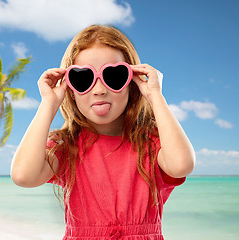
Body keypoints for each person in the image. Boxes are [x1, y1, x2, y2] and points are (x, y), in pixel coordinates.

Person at [11, 25, 195, 240]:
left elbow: (182, 164)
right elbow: (23, 176)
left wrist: (155, 95)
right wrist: (49, 104)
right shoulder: (67, 146)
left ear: (132, 82)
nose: (99, 89)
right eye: (83, 79)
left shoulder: (150, 143)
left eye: (114, 76)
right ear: (70, 90)